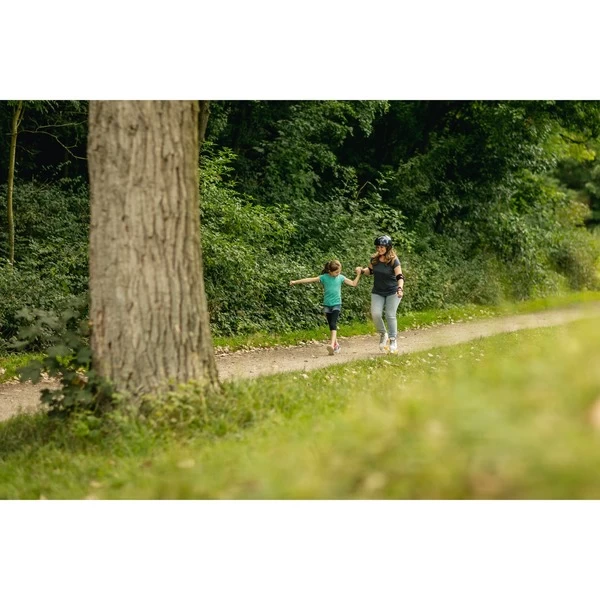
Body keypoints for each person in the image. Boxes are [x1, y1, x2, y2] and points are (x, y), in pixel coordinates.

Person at [290, 260, 362, 355]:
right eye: (336, 272)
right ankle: (336, 345)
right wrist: (295, 282)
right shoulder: (324, 277)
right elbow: (310, 279)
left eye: (339, 271)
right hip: (327, 305)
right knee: (331, 325)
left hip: (336, 304)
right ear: (330, 271)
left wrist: (358, 274)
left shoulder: (341, 277)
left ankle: (331, 345)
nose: (338, 273)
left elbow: (353, 283)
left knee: (333, 323)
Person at [358, 235, 404, 353]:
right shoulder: (375, 259)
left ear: (388, 247)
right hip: (378, 291)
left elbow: (400, 276)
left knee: (390, 314)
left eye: (382, 247)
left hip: (393, 291)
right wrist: (362, 271)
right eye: (378, 247)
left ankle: (393, 340)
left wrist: (400, 288)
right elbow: (370, 271)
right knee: (375, 314)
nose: (379, 249)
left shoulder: (394, 260)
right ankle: (383, 334)